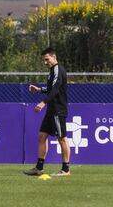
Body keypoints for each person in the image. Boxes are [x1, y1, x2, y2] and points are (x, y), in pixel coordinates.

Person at [24, 47, 71, 177]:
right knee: (42, 136)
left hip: (58, 109)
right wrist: (39, 89)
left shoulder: (58, 69)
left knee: (62, 138)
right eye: (44, 60)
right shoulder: (51, 71)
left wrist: (43, 102)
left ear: (53, 57)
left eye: (47, 59)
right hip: (51, 110)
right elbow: (51, 88)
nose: (45, 62)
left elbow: (56, 89)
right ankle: (39, 168)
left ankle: (66, 169)